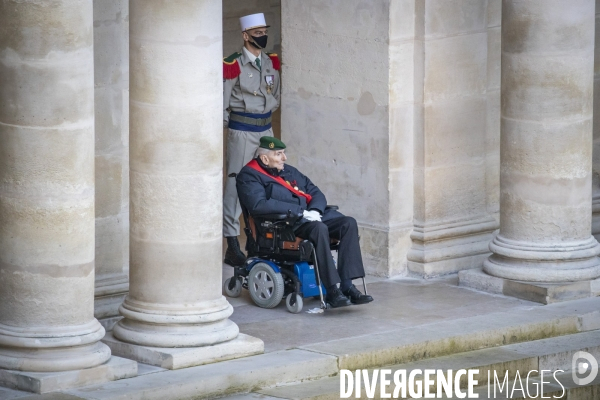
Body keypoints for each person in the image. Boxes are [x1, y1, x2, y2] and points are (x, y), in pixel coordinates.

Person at [236, 137, 374, 308]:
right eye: (279, 154)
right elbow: (259, 205)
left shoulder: (289, 171)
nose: (284, 158)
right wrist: (300, 212)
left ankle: (347, 285)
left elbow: (315, 191)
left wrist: (315, 210)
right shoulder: (249, 176)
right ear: (265, 159)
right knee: (319, 228)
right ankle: (332, 291)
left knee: (348, 223)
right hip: (285, 224)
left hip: (310, 216)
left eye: (283, 153)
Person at [222, 12, 281, 267]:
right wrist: (235, 128)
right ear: (245, 36)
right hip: (243, 130)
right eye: (257, 33)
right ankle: (233, 244)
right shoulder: (233, 64)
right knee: (236, 185)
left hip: (266, 130)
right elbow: (221, 104)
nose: (262, 36)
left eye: (264, 32)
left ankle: (258, 240)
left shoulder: (270, 63)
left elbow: (275, 96)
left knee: (269, 181)